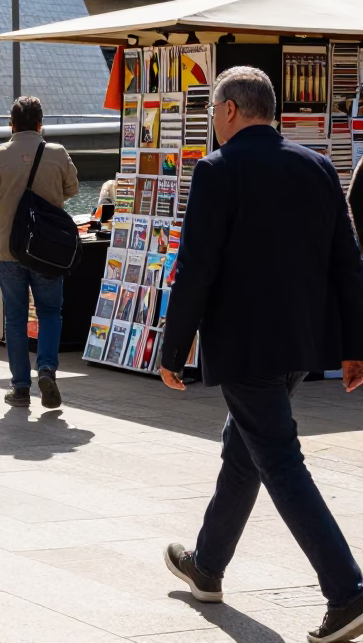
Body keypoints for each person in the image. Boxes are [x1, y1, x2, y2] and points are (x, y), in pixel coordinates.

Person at [159, 67, 363, 643]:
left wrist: (174, 350)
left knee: (277, 459)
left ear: (227, 111)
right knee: (243, 448)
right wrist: (355, 347)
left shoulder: (217, 170)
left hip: (246, 348)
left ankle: (346, 591)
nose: (211, 123)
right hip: (300, 345)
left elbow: (195, 269)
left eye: (211, 113)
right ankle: (207, 565)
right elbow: (348, 264)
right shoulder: (319, 166)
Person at [0, 96, 79, 409]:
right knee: (49, 312)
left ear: (11, 124)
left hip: (8, 249)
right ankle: (46, 369)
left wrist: (1, 219)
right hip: (47, 250)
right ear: (41, 123)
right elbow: (72, 188)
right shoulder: (57, 153)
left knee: (16, 318)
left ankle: (20, 387)